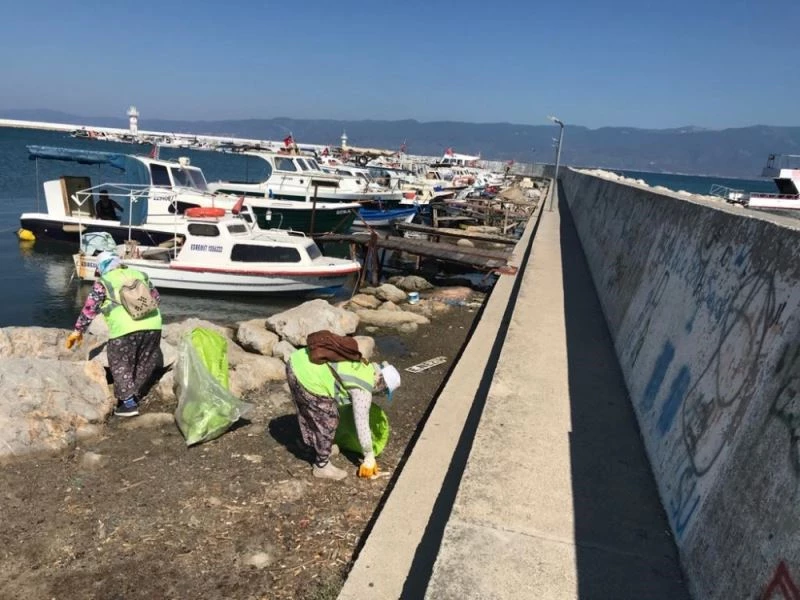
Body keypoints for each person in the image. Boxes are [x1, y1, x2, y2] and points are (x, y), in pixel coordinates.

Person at [66, 251, 163, 417]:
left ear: (101, 267)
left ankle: (128, 404)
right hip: (153, 325)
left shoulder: (104, 282)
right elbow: (157, 298)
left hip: (123, 330)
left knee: (120, 364)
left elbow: (90, 309)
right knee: (144, 362)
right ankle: (134, 395)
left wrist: (78, 331)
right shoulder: (140, 274)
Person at [286, 346, 401, 480]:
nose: (380, 394)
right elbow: (362, 425)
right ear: (381, 382)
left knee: (311, 411)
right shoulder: (363, 389)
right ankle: (322, 466)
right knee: (328, 419)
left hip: (296, 361)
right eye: (384, 391)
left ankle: (315, 447)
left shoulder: (364, 365)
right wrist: (369, 457)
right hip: (308, 375)